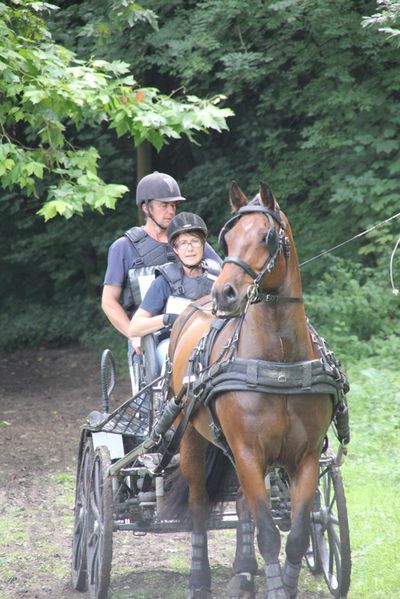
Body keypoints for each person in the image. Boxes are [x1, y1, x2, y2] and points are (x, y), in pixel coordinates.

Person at [101, 171, 221, 391]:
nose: (171, 211)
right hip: (147, 335)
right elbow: (108, 302)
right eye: (164, 205)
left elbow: (223, 278)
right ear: (146, 207)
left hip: (197, 331)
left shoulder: (189, 241)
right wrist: (133, 334)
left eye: (173, 205)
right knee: (150, 403)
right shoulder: (123, 248)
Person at [129, 212, 221, 371]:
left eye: (195, 241)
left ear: (203, 245)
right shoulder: (163, 282)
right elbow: (135, 327)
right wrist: (167, 319)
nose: (190, 248)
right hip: (173, 344)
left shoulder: (219, 277)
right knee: (165, 351)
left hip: (214, 341)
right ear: (175, 249)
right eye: (183, 243)